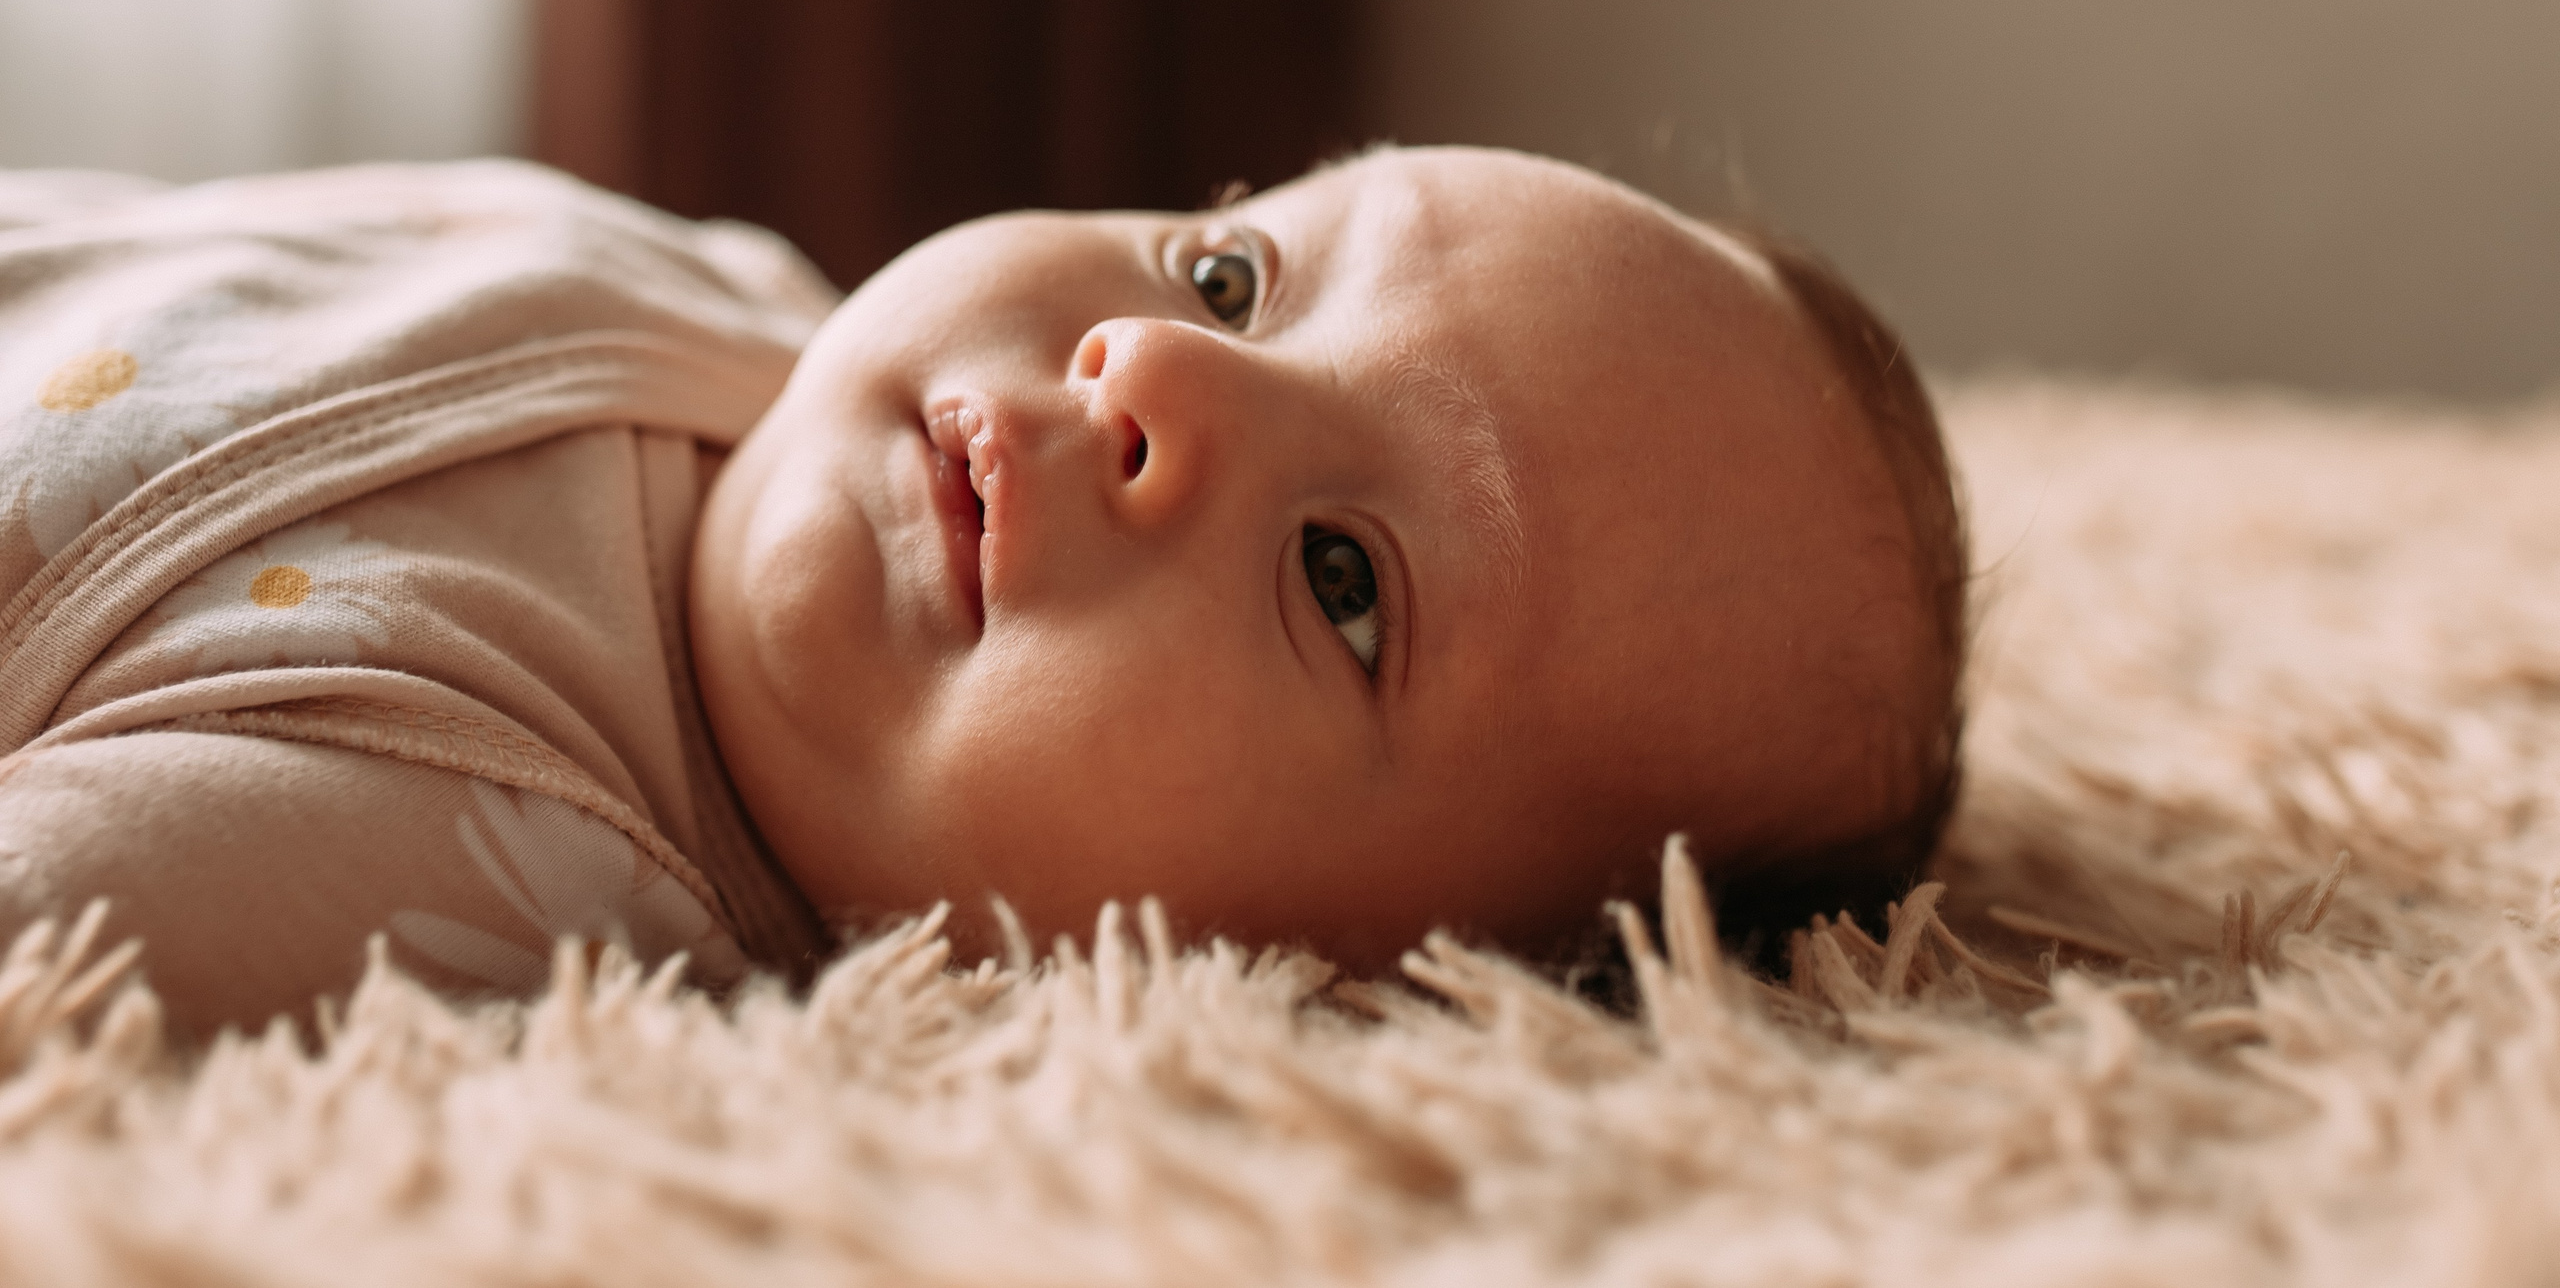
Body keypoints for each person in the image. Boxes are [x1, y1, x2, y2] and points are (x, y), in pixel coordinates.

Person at [0, 147, 1964, 1034]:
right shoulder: (726, 291)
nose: (1155, 373)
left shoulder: (439, 853)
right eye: (1232, 275)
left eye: (1343, 582)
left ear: (1359, 986)